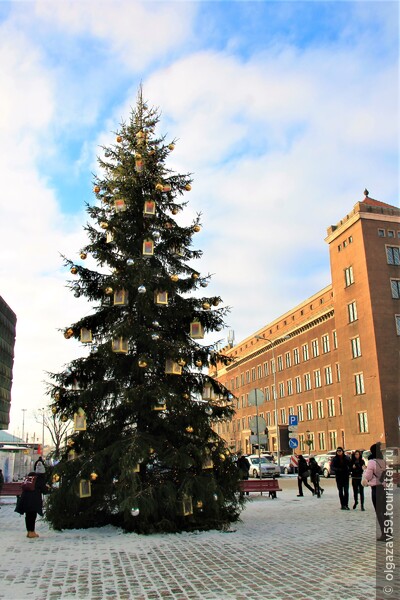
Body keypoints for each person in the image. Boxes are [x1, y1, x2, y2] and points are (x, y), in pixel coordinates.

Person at [15, 461, 48, 538]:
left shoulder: (29, 477)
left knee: (28, 516)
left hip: (25, 499)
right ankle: (32, 532)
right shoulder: (39, 479)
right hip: (33, 500)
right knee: (32, 516)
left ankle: (29, 531)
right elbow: (44, 491)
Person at [363, 442, 386, 541]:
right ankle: (388, 532)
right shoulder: (383, 461)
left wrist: (365, 470)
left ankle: (384, 533)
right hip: (384, 488)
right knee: (385, 511)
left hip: (376, 489)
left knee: (379, 511)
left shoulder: (372, 462)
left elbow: (367, 476)